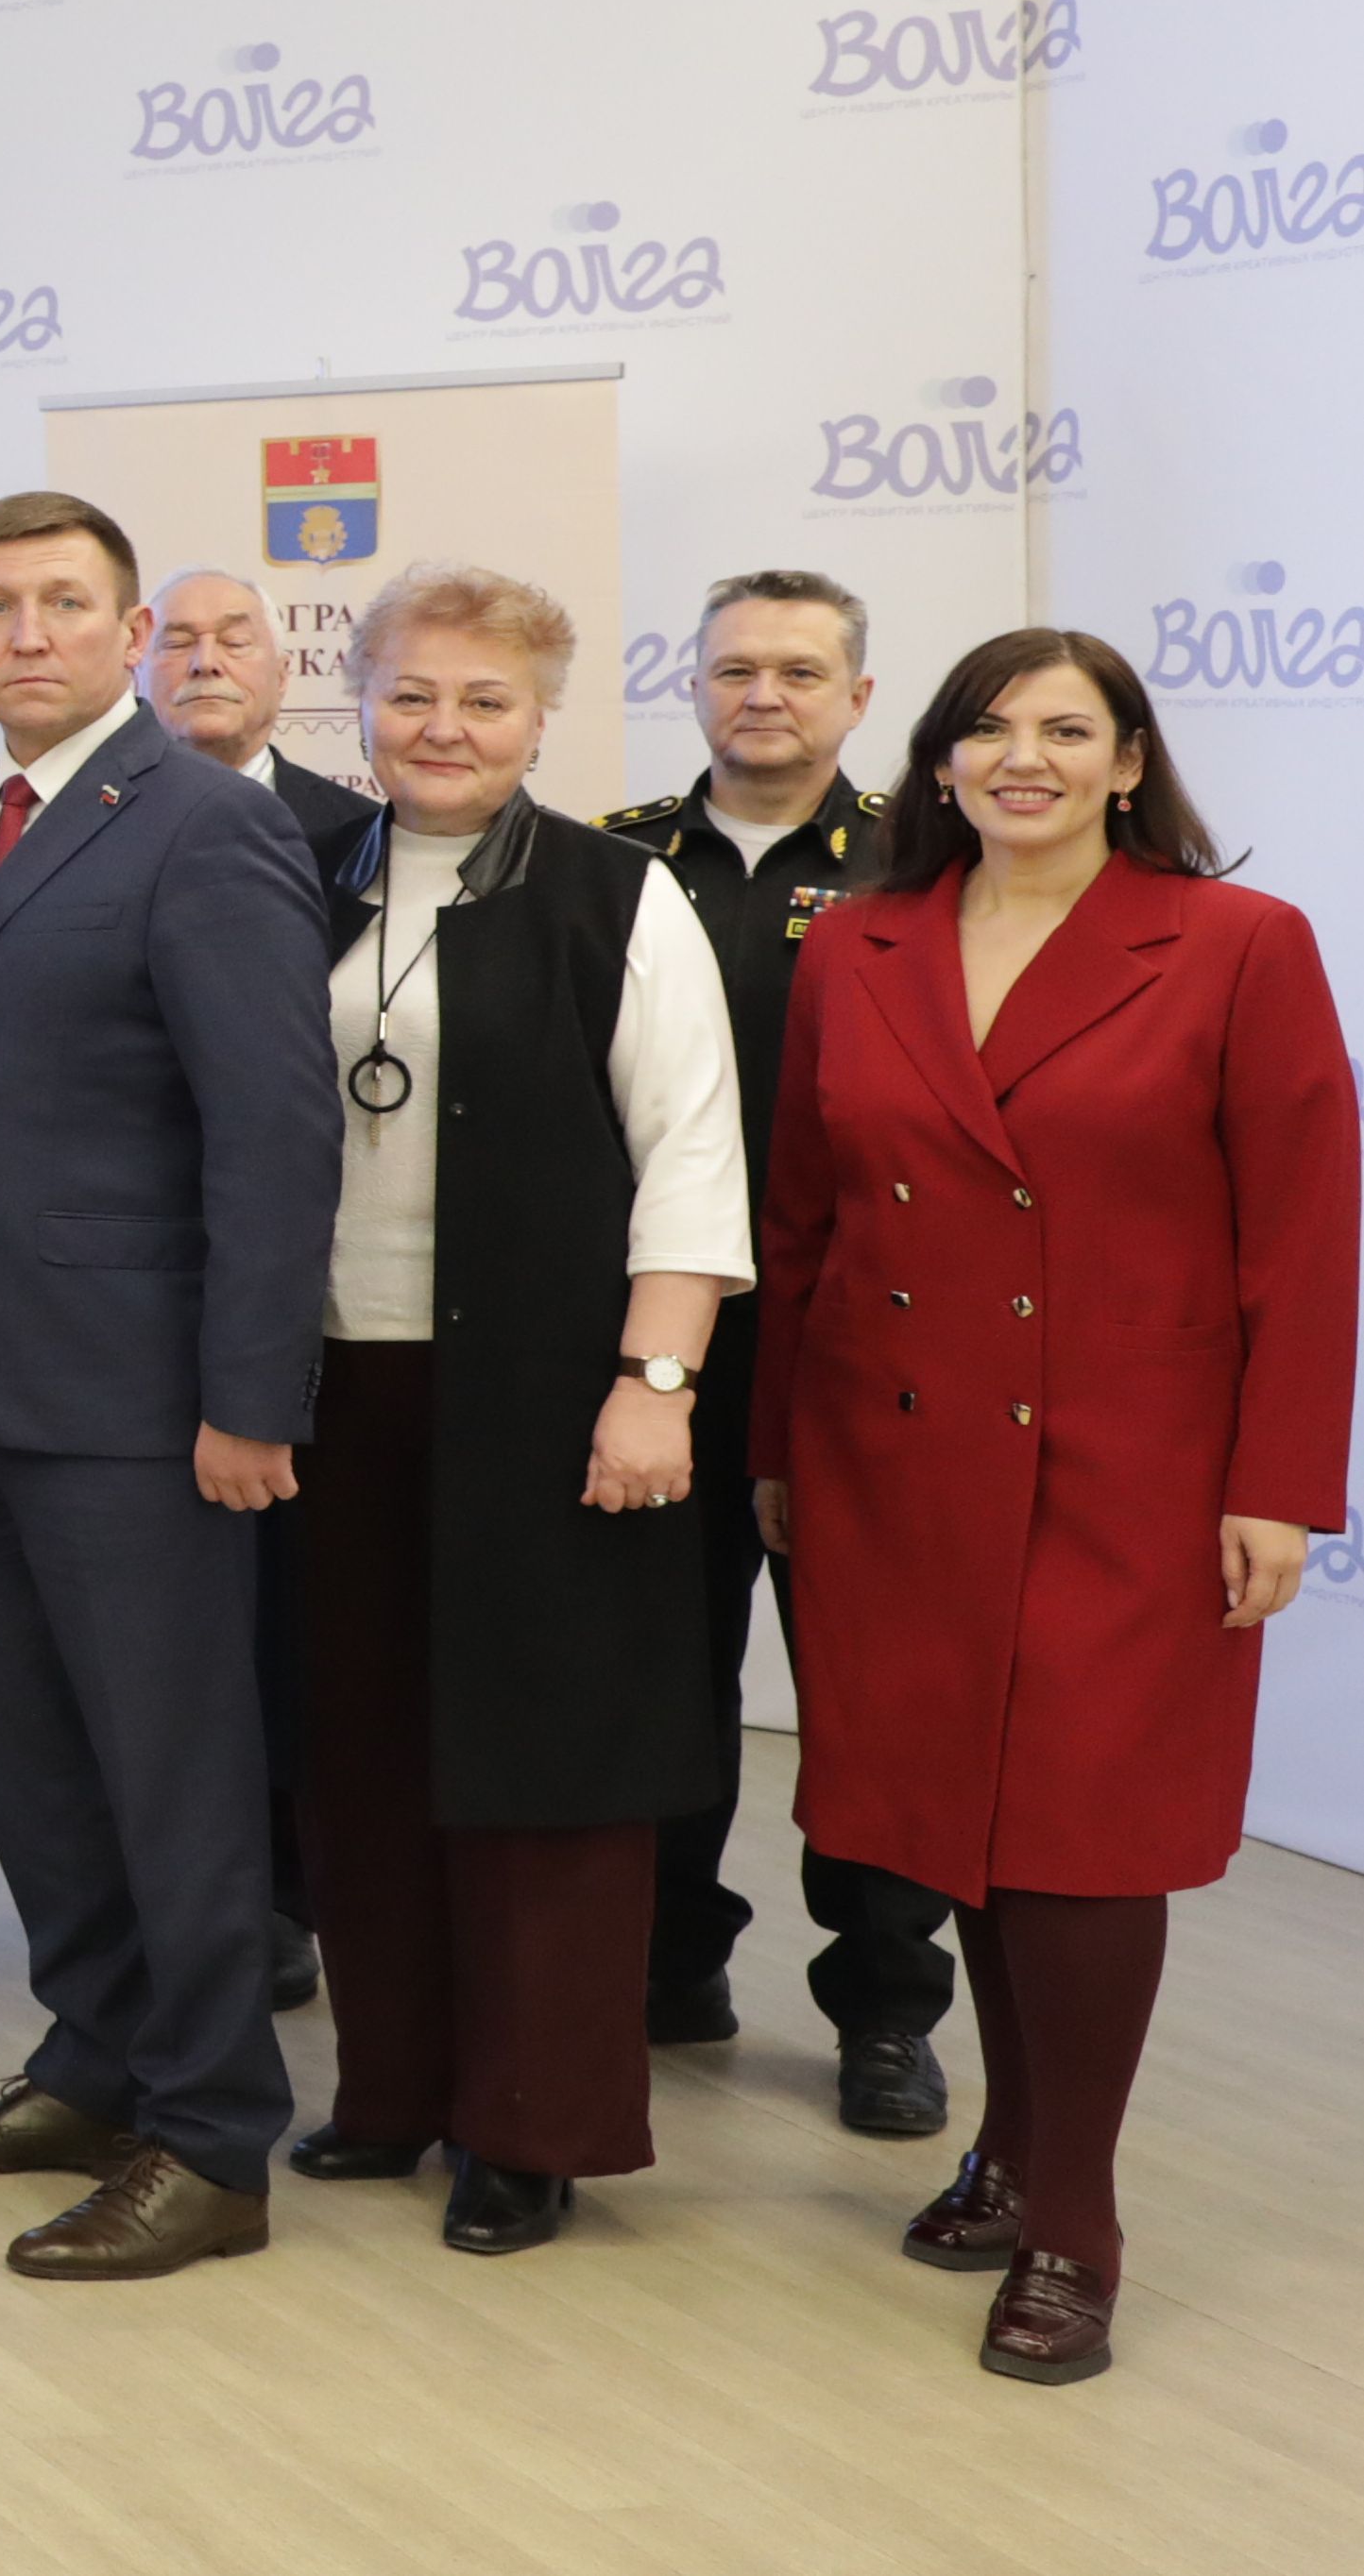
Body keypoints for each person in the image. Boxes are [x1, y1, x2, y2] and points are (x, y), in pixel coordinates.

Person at [761, 629, 1354, 2385]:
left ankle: (1073, 2225)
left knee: (1083, 1837)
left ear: (1127, 761)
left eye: (1066, 729)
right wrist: (776, 1445)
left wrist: (1278, 1485)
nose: (1023, 756)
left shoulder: (1237, 942)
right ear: (937, 760)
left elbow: (1305, 1232)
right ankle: (1009, 2150)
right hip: (895, 1450)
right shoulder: (858, 943)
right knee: (969, 1821)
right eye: (989, 727)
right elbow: (801, 1215)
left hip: (1134, 1466)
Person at [0, 490, 335, 2280]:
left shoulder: (207, 823)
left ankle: (210, 2136)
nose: (28, 632)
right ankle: (93, 2060)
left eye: (66, 602)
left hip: (143, 1405)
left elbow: (273, 1131)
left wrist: (251, 1396)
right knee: (34, 1768)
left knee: (170, 1778)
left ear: (131, 634)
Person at [273, 565, 749, 2257]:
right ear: (359, 702)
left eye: (484, 699)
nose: (443, 727)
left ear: (542, 719)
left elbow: (691, 1152)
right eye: (410, 692)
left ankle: (529, 2125)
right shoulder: (293, 877)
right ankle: (390, 2087)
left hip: (549, 1397)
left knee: (543, 1759)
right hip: (327, 1387)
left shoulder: (618, 893)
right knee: (360, 1750)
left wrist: (655, 1382)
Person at [606, 570, 958, 2133]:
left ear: (858, 698)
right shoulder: (610, 858)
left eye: (800, 671)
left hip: (859, 1337)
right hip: (656, 1340)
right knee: (655, 1672)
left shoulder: (924, 866)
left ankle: (884, 2006)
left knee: (872, 1690)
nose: (763, 693)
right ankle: (666, 1961)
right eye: (735, 666)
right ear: (689, 684)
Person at [150, 561, 358, 2019]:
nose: (205, 659)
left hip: (323, 1288)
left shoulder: (358, 832)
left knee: (299, 1617)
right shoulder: (85, 820)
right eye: (177, 638)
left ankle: (291, 1890)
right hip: (136, 1286)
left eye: (235, 637)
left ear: (287, 670)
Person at [150, 568, 381, 867]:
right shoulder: (95, 816)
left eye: (235, 642)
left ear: (281, 676)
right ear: (134, 672)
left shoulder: (364, 834)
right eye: (177, 644)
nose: (205, 663)